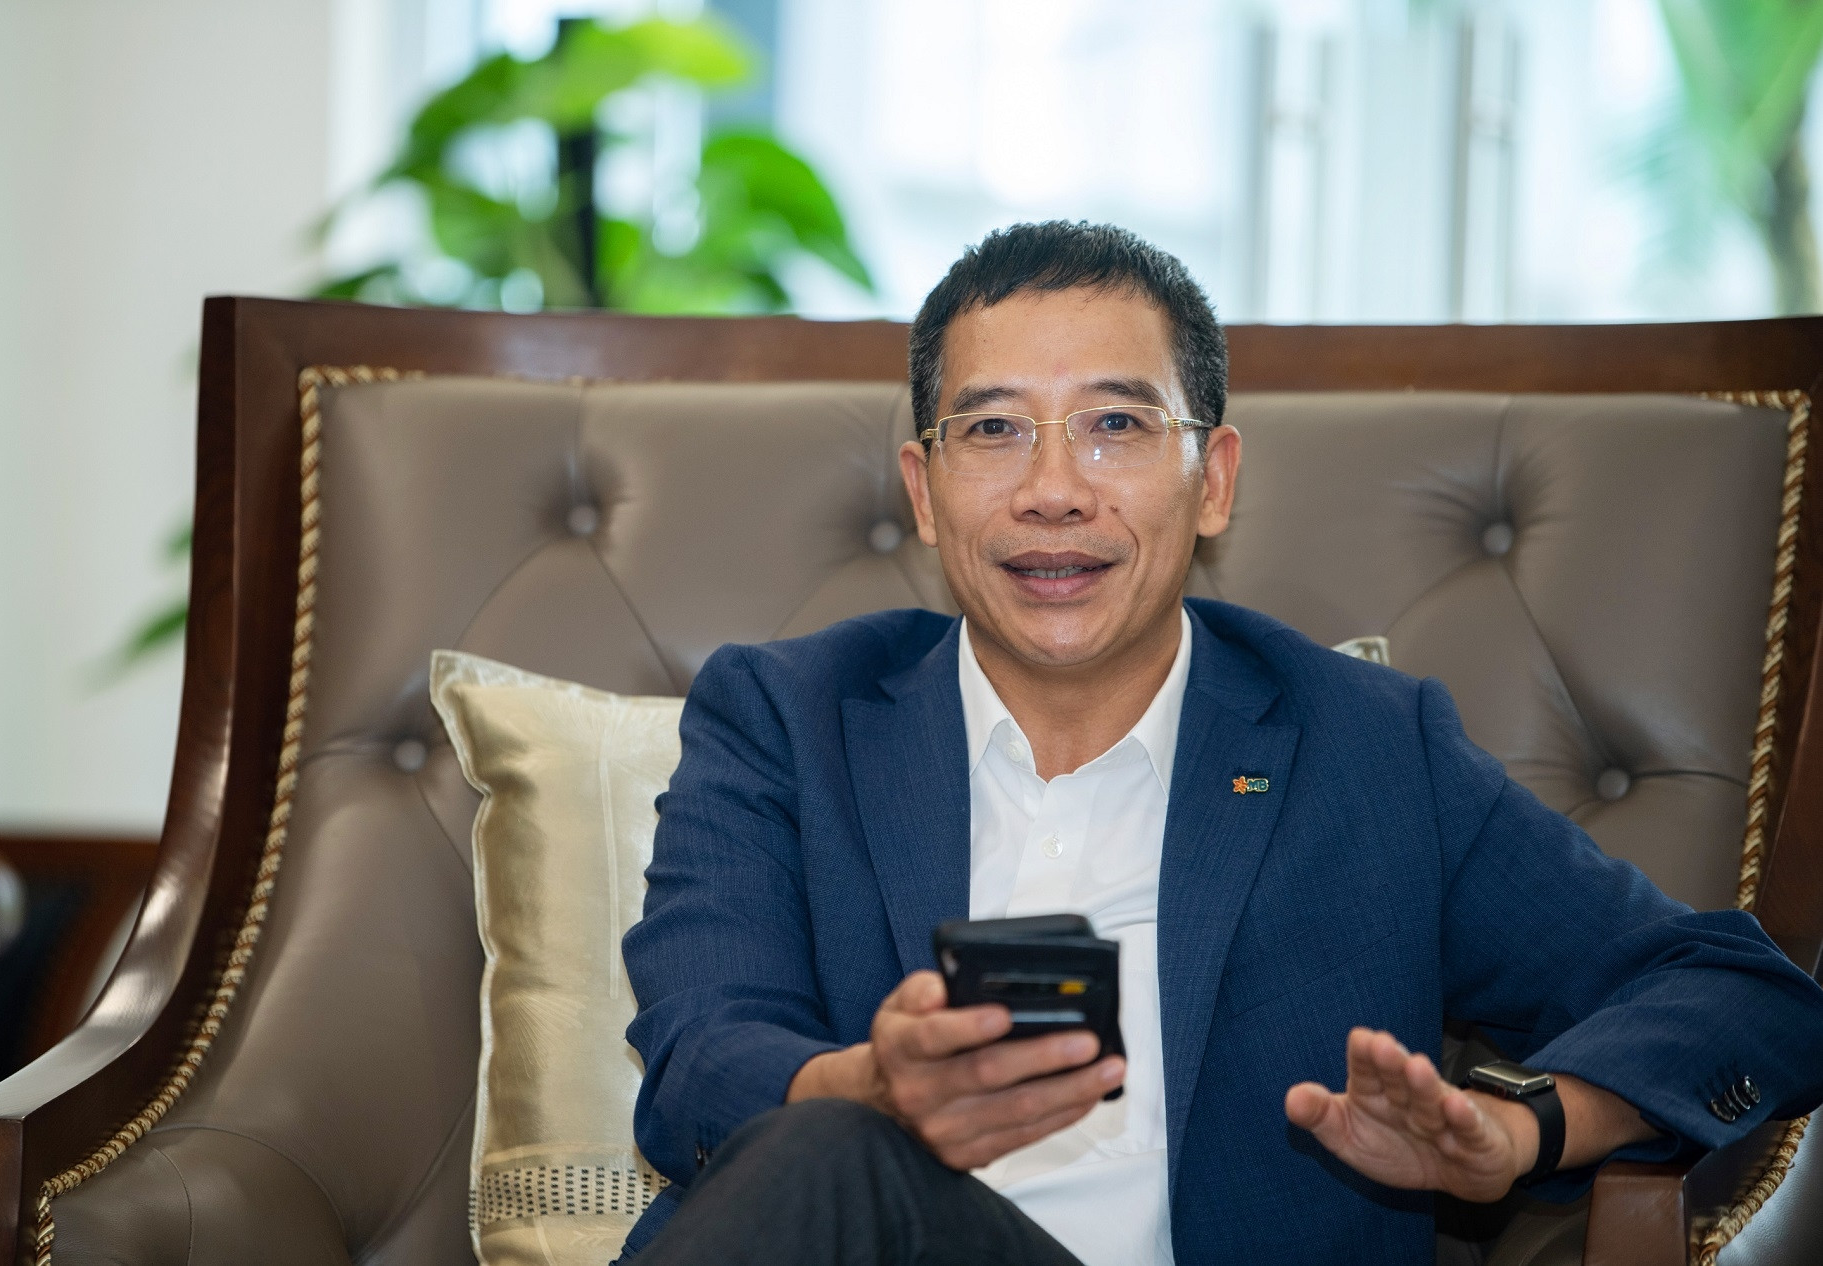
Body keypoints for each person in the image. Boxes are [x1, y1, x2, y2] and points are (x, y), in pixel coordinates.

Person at [616, 221, 1823, 1265]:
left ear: (1214, 480)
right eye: (992, 429)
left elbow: (1745, 994)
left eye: (1115, 424)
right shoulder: (788, 719)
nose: (1053, 489)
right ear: (925, 492)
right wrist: (867, 1092)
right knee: (831, 1147)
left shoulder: (1368, 751)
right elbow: (696, 1061)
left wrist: (1520, 1131)